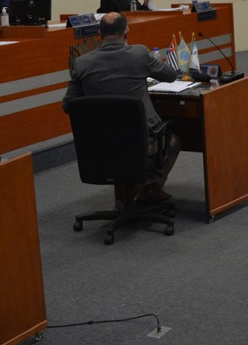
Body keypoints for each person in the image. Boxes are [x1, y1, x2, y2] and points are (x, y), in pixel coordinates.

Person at [62, 12, 180, 204]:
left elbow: (68, 105)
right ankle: (151, 185)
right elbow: (170, 75)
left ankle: (131, 196)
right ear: (126, 31)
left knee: (120, 147)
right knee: (173, 141)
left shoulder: (82, 63)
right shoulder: (139, 54)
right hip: (140, 142)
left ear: (100, 33)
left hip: (99, 143)